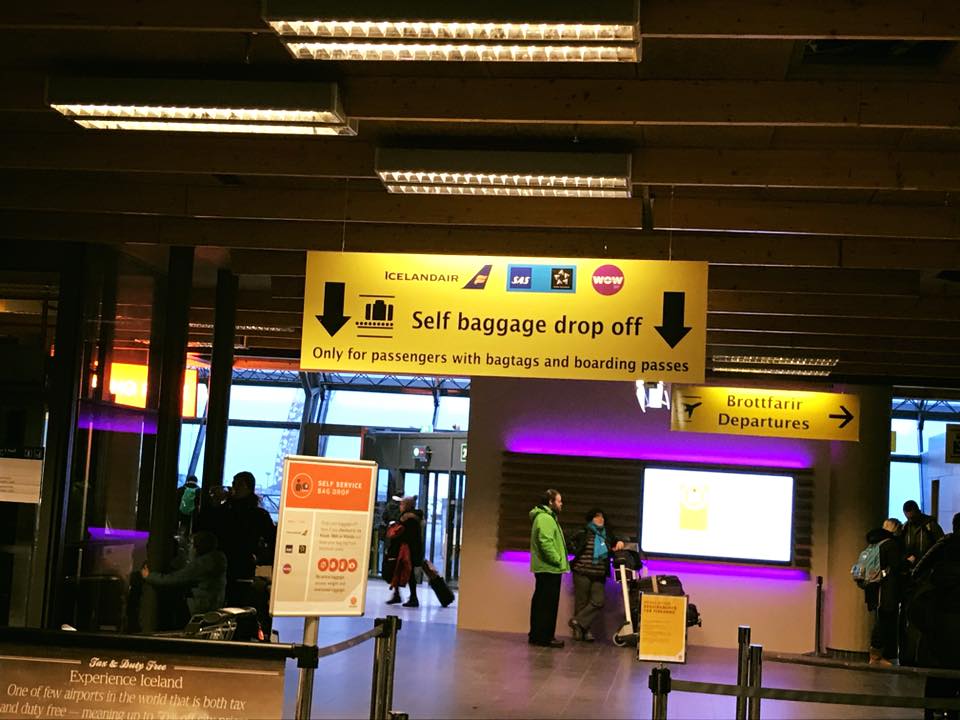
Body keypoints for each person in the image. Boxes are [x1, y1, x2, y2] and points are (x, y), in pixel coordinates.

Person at [908, 513, 960, 719]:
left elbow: (917, 571)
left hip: (938, 628)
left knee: (936, 676)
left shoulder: (944, 544)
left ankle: (931, 711)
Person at [210, 471, 277, 601]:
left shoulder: (227, 510)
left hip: (224, 563)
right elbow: (272, 539)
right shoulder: (258, 514)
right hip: (242, 565)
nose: (233, 487)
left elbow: (207, 526)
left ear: (246, 487)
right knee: (238, 600)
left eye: (236, 484)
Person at [567, 508, 625, 642]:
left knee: (598, 601)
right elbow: (569, 542)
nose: (601, 519)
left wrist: (619, 543)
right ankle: (583, 632)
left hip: (599, 574)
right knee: (581, 603)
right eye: (597, 517)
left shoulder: (607, 534)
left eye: (602, 517)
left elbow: (617, 542)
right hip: (581, 571)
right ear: (591, 519)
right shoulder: (584, 531)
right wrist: (575, 551)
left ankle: (577, 621)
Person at [141, 531, 227, 617]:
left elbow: (173, 579)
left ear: (199, 547)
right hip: (210, 607)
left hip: (198, 609)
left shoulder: (202, 564)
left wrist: (149, 576)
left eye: (191, 544)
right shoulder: (216, 561)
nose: (189, 547)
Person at [528, 489, 569, 648]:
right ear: (550, 502)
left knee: (541, 603)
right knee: (547, 605)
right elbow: (545, 542)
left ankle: (538, 635)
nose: (561, 504)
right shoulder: (545, 519)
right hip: (549, 568)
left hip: (545, 568)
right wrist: (558, 561)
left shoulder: (545, 517)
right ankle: (544, 637)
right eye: (559, 501)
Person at [863, 518, 904, 665]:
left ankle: (877, 656)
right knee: (883, 622)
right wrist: (909, 561)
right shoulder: (890, 545)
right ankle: (876, 657)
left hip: (874, 588)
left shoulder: (875, 543)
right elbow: (897, 566)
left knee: (880, 620)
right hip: (886, 589)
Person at [385, 496, 424, 607]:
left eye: (402, 504)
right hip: (411, 549)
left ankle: (412, 597)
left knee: (405, 571)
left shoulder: (407, 518)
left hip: (406, 550)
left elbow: (403, 533)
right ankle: (401, 595)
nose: (400, 506)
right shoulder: (415, 516)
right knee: (401, 571)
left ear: (407, 505)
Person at [903, 500, 944, 568]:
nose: (910, 520)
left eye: (912, 518)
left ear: (918, 512)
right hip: (911, 566)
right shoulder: (905, 527)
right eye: (908, 518)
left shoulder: (931, 526)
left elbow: (941, 544)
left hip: (928, 566)